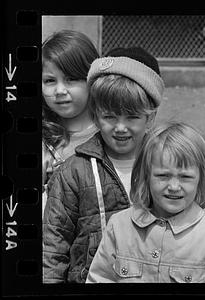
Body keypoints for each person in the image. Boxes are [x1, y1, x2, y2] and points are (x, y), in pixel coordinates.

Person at [43, 46, 165, 283]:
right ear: (96, 115)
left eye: (132, 116)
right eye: (110, 116)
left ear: (149, 117)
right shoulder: (73, 171)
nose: (120, 128)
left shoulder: (167, 162)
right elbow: (53, 246)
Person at [86, 121, 205, 283]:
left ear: (201, 179)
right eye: (163, 176)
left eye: (185, 177)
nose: (173, 187)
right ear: (146, 176)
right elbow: (99, 279)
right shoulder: (119, 226)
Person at [42, 30, 100, 217]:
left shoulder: (112, 133)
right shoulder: (43, 141)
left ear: (92, 78)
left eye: (71, 79)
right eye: (50, 81)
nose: (60, 90)